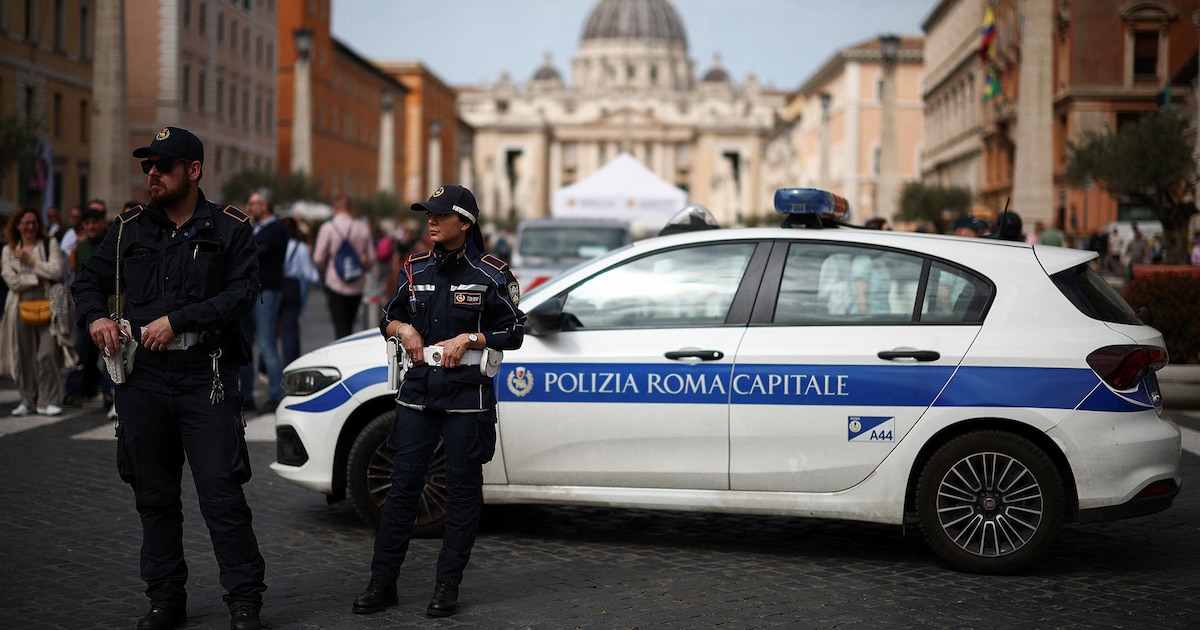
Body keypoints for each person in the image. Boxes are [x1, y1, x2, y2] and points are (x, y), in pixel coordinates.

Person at [71, 126, 266, 630]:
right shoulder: (129, 226)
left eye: (163, 165)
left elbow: (243, 293)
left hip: (208, 375)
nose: (151, 174)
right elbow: (88, 280)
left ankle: (244, 600)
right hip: (144, 380)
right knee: (154, 497)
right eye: (146, 165)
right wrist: (95, 316)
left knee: (221, 495)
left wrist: (181, 320)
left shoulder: (229, 227)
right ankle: (165, 599)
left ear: (194, 171)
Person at [353, 185, 525, 618]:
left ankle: (447, 586)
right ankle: (382, 583)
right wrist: (399, 329)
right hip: (419, 392)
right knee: (402, 489)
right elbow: (387, 316)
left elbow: (516, 331)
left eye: (439, 215)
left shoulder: (492, 273)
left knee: (463, 493)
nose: (429, 220)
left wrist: (472, 337)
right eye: (426, 213)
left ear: (464, 223)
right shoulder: (413, 267)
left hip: (468, 395)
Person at [1, 206, 66, 416]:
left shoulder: (49, 244)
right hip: (18, 307)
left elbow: (56, 272)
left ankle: (50, 399)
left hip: (47, 304)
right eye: (26, 223)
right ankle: (28, 400)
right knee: (24, 355)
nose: (30, 227)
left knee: (46, 354)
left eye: (34, 222)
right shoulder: (9, 249)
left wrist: (31, 263)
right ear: (18, 225)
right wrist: (37, 277)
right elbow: (12, 281)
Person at [238, 188, 287, 413]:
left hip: (266, 293)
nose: (248, 208)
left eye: (252, 204)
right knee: (245, 345)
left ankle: (276, 394)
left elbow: (253, 250)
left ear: (263, 206)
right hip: (249, 292)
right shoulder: (255, 228)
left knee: (267, 344)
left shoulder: (276, 230)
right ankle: (246, 394)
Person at [64, 201, 115, 410]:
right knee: (83, 351)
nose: (91, 227)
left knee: (110, 352)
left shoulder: (111, 244)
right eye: (88, 223)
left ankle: (108, 392)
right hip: (85, 307)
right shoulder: (80, 248)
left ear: (103, 223)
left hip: (110, 305)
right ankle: (77, 389)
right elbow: (77, 276)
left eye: (95, 222)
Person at [313, 194, 375, 340]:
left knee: (339, 325)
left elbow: (318, 258)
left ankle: (341, 351)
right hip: (357, 283)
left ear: (334, 208)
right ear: (351, 208)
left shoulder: (328, 227)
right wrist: (363, 268)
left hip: (335, 282)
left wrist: (324, 272)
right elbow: (372, 257)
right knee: (351, 322)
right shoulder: (362, 227)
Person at [279, 216, 320, 365]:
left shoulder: (276, 244)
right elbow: (309, 273)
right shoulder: (300, 247)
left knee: (270, 329)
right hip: (292, 287)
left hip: (274, 286)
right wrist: (319, 280)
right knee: (290, 328)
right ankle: (290, 362)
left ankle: (265, 366)